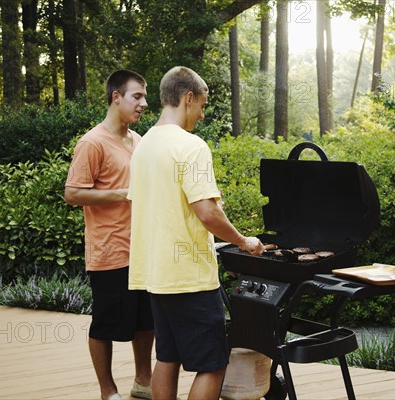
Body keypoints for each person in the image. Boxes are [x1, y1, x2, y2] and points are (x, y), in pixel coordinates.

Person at [127, 66, 265, 400]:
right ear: (188, 98)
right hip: (190, 277)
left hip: (156, 275)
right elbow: (207, 211)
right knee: (213, 364)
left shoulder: (143, 146)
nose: (202, 115)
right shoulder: (192, 146)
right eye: (202, 106)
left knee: (168, 357)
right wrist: (243, 241)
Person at [65, 69, 154, 400]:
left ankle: (143, 381)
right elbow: (72, 193)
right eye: (137, 96)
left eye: (145, 97)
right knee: (105, 323)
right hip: (109, 251)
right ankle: (108, 390)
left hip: (142, 250)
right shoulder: (92, 142)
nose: (144, 103)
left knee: (147, 320)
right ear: (116, 97)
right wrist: (121, 194)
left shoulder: (139, 141)